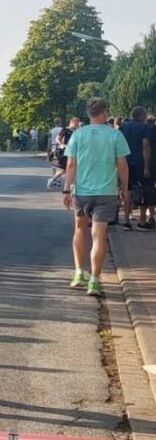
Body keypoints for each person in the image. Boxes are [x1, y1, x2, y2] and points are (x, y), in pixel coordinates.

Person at [63, 97, 130, 297]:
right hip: (106, 191)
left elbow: (71, 165)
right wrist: (125, 188)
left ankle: (78, 273)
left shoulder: (78, 135)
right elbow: (122, 165)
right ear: (104, 113)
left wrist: (66, 190)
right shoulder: (115, 135)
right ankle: (94, 279)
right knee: (99, 236)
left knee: (79, 230)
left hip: (82, 191)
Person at [118, 106, 152, 231]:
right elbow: (145, 147)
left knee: (127, 191)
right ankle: (142, 221)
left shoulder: (123, 126)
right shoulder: (144, 127)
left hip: (125, 161)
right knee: (143, 190)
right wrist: (147, 167)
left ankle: (126, 220)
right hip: (139, 162)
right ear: (142, 115)